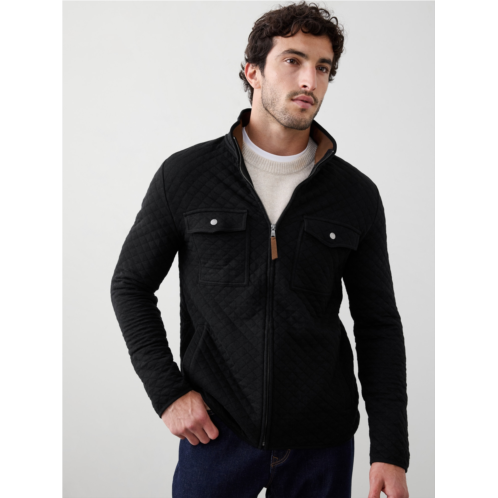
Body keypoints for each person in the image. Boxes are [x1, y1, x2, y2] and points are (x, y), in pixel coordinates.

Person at [111, 2, 410, 497]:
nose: (310, 80)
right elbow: (130, 285)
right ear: (253, 71)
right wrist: (168, 393)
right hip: (217, 435)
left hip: (323, 444)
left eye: (323, 67)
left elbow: (378, 323)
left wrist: (390, 450)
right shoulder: (186, 176)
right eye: (293, 60)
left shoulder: (355, 195)